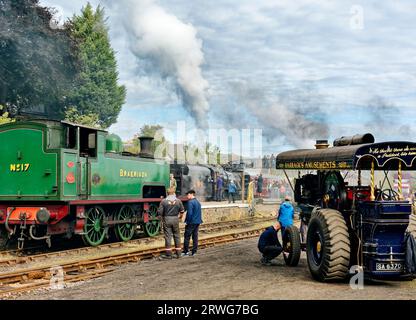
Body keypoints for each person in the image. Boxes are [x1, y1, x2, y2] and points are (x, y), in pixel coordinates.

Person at [158, 188, 185, 259]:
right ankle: (178, 253)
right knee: (177, 235)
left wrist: (161, 219)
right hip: (175, 219)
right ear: (174, 193)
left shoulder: (163, 201)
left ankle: (168, 254)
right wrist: (180, 217)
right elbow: (182, 211)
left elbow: (160, 213)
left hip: (167, 219)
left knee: (168, 237)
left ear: (167, 193)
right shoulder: (178, 201)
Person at [182, 190, 202, 256]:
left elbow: (189, 213)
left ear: (191, 194)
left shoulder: (190, 202)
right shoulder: (198, 202)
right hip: (197, 221)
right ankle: (194, 252)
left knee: (187, 236)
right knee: (195, 236)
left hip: (191, 222)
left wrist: (187, 221)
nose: (187, 196)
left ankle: (185, 251)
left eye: (188, 195)